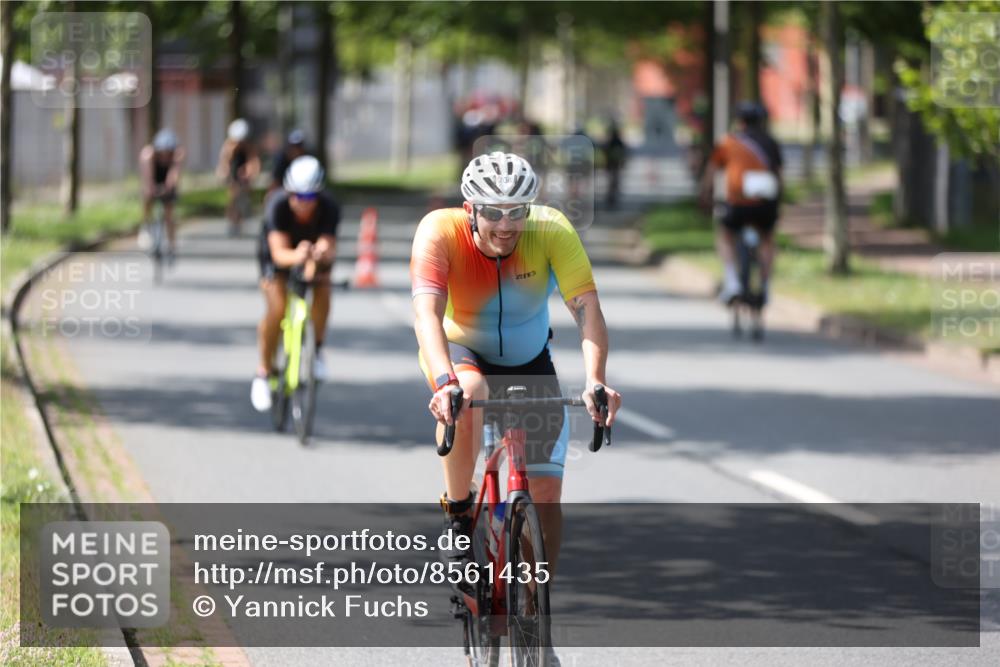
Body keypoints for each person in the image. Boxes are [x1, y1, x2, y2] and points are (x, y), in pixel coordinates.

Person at [410, 151, 622, 578]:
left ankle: (536, 613)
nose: (506, 226)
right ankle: (458, 514)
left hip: (529, 360)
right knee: (469, 394)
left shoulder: (550, 230)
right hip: (461, 352)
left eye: (516, 213)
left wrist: (596, 380)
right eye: (492, 213)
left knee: (545, 494)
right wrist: (442, 381)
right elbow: (427, 314)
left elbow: (587, 308)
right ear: (470, 208)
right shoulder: (439, 231)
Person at [251, 156, 339, 412]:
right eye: (298, 197)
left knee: (323, 286)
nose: (303, 203)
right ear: (288, 192)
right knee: (276, 308)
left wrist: (318, 255)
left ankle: (317, 349)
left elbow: (329, 245)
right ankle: (263, 372)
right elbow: (279, 253)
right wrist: (300, 255)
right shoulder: (277, 205)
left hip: (311, 253)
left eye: (310, 198)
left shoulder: (329, 207)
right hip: (278, 256)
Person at [700, 101, 783, 305]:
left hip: (737, 205)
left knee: (725, 235)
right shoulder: (771, 143)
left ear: (739, 121)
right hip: (765, 205)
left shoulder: (729, 142)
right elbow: (780, 177)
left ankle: (732, 281)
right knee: (767, 239)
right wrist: (778, 201)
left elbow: (711, 171)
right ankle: (765, 284)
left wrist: (705, 194)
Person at [138, 128, 185, 260]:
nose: (165, 156)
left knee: (169, 212)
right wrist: (151, 188)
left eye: (168, 153)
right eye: (162, 153)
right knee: (147, 197)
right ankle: (145, 225)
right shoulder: (148, 154)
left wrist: (169, 187)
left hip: (166, 177)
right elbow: (147, 176)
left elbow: (174, 175)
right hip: (154, 175)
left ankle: (172, 246)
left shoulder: (178, 155)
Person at [216, 118, 261, 237]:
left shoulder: (249, 145)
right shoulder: (228, 146)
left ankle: (241, 215)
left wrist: (251, 172)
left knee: (244, 194)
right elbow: (224, 162)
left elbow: (253, 161)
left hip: (243, 169)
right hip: (233, 171)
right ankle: (232, 219)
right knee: (232, 196)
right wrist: (224, 173)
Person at [268, 129, 309, 198]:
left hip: (305, 194)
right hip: (284, 193)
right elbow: (275, 182)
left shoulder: (308, 161)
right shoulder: (281, 160)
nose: (296, 150)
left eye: (299, 147)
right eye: (293, 147)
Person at [603, 119, 627, 209]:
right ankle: (612, 198)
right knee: (614, 183)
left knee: (612, 183)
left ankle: (611, 198)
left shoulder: (610, 143)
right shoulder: (618, 142)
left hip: (612, 165)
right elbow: (624, 154)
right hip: (615, 165)